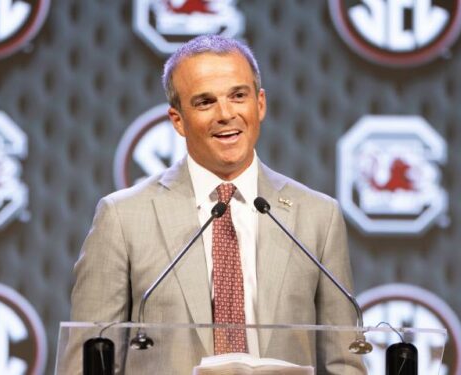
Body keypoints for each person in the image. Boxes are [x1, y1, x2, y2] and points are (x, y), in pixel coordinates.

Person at [68, 35, 366, 374]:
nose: (226, 114)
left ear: (260, 104)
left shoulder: (317, 216)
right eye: (205, 102)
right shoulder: (122, 218)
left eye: (238, 96)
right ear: (178, 120)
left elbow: (345, 363)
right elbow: (86, 361)